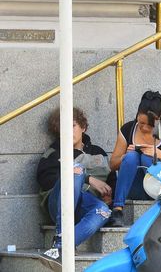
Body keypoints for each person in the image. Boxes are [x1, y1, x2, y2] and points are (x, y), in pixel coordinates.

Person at [36, 107, 112, 261]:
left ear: (83, 127)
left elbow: (111, 179)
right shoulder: (54, 153)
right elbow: (46, 180)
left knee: (104, 211)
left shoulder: (99, 152)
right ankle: (59, 238)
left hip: (86, 205)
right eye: (63, 127)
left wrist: (111, 197)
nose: (68, 131)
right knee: (75, 169)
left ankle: (61, 247)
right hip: (58, 204)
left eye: (72, 126)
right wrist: (87, 178)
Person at [108, 91, 161, 227]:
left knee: (148, 158)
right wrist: (124, 156)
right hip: (132, 187)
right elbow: (112, 165)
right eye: (141, 123)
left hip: (156, 188)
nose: (145, 127)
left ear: (159, 118)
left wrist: (159, 154)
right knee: (131, 157)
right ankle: (117, 210)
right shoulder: (128, 129)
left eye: (150, 124)